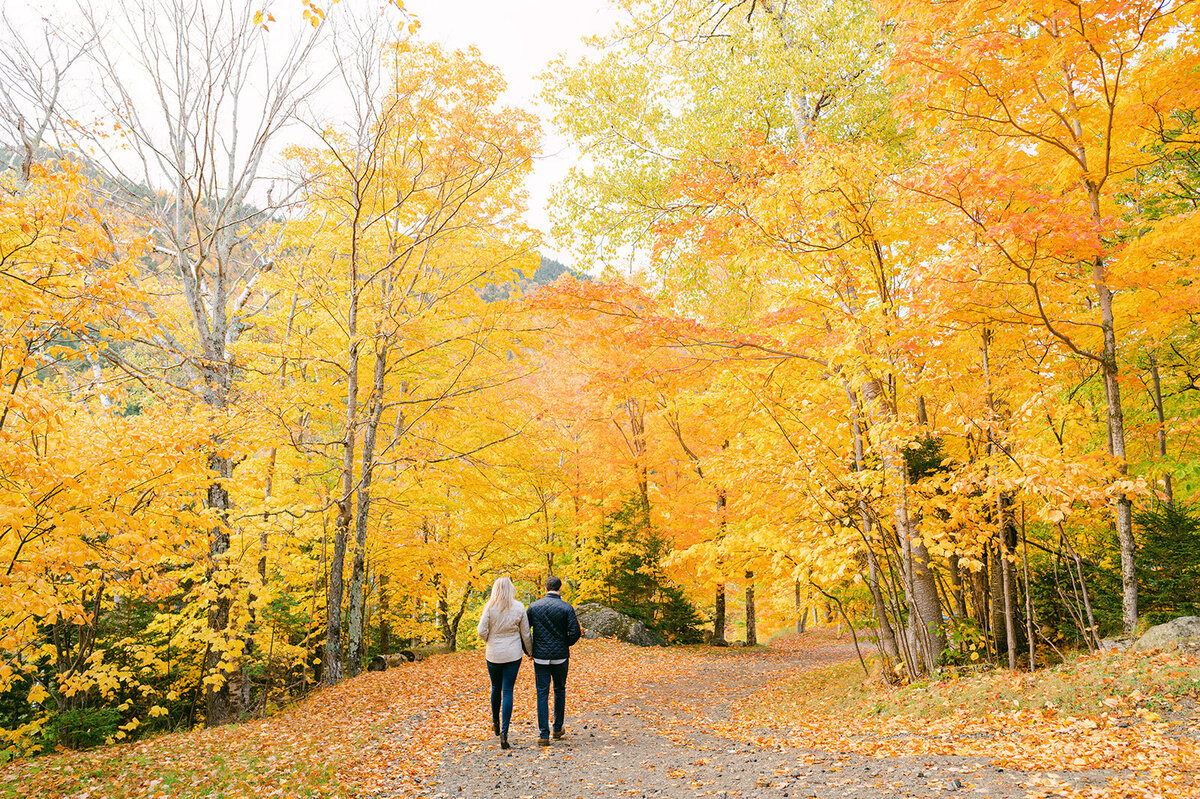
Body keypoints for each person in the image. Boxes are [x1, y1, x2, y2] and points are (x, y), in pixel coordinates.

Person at [476, 576, 531, 750]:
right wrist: (530, 651)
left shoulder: (489, 606)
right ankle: (505, 732)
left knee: (495, 687)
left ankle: (495, 722)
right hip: (513, 653)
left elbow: (481, 630)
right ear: (511, 588)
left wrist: (489, 639)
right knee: (508, 691)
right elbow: (525, 634)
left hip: (494, 653)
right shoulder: (519, 607)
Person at [525, 575, 581, 746]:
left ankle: (544, 734)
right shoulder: (566, 608)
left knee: (542, 693)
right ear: (560, 588)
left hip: (540, 657)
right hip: (560, 657)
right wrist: (565, 644)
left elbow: (525, 631)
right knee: (559, 690)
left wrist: (529, 651)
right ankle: (557, 728)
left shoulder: (534, 607)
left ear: (545, 588)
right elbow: (575, 632)